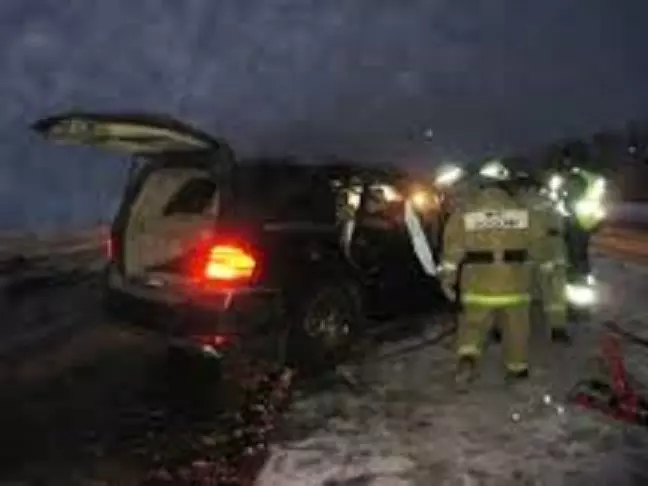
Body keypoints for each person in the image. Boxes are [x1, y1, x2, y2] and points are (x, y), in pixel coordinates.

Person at [439, 161, 548, 387]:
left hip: (477, 284)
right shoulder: (524, 212)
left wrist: (447, 280)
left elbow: (452, 251)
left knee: (472, 326)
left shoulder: (465, 212)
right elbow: (539, 246)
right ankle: (516, 369)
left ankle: (468, 360)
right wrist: (539, 275)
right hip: (515, 284)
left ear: (481, 185)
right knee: (516, 329)